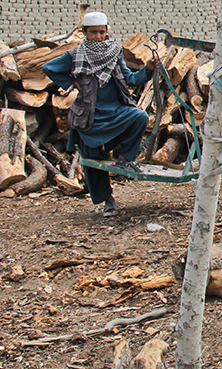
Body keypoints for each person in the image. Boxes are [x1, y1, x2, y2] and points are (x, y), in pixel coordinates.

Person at [44, 11, 156, 218]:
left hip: (116, 110)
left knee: (139, 116)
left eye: (101, 32)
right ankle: (108, 201)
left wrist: (147, 69)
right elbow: (49, 68)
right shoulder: (75, 55)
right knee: (93, 161)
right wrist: (72, 83)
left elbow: (130, 78)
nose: (98, 36)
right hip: (90, 116)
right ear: (85, 32)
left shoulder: (114, 52)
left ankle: (125, 158)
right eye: (93, 32)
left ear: (107, 32)